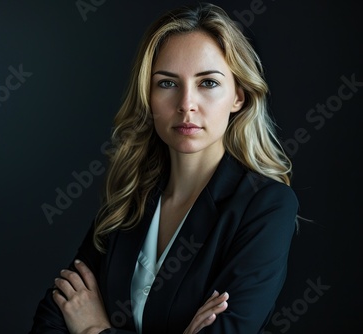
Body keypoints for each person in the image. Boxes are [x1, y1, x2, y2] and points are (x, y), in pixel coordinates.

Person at [30, 3, 298, 333]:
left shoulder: (266, 206)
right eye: (168, 83)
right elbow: (48, 324)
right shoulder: (129, 198)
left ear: (238, 97)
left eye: (208, 83)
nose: (186, 103)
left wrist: (93, 330)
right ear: (148, 95)